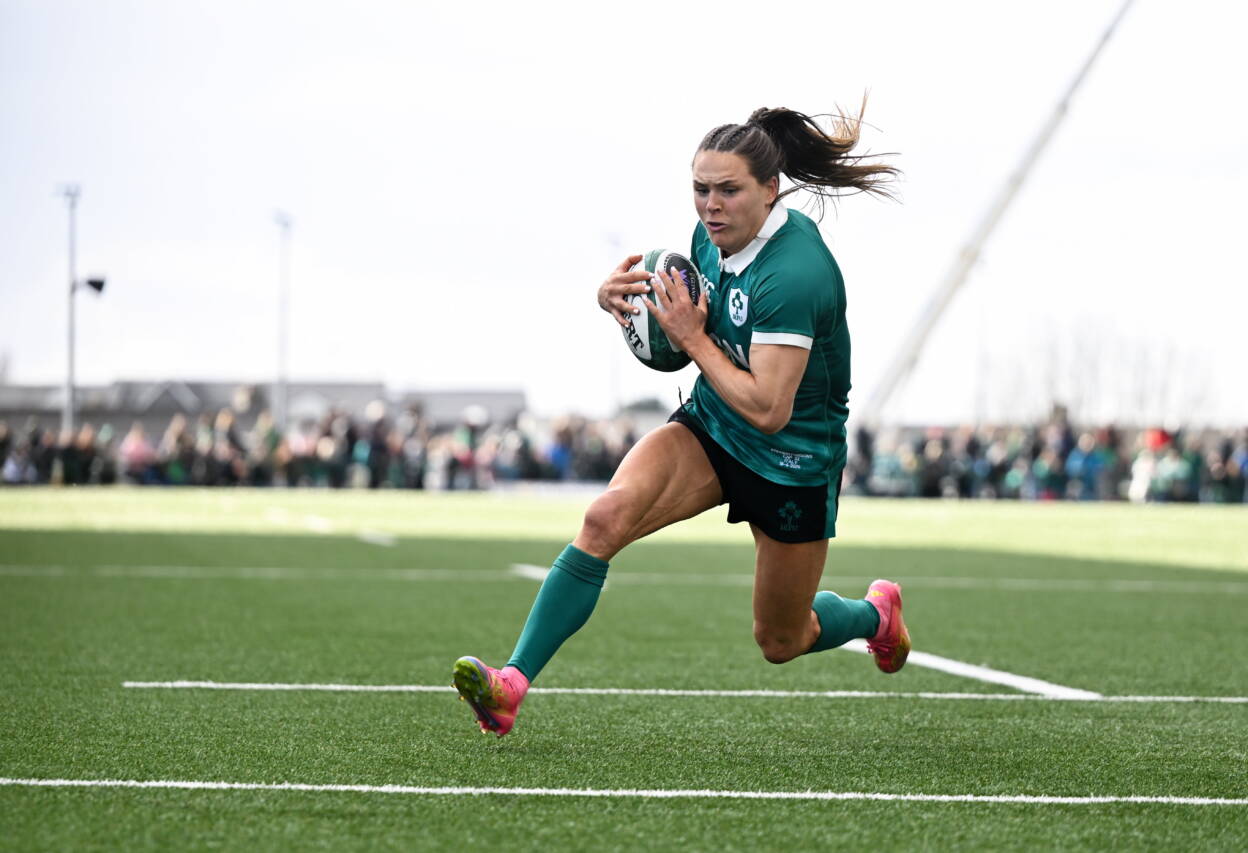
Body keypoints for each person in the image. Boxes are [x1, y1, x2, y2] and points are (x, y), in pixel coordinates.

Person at [453, 105, 908, 736]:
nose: (711, 207)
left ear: (770, 190)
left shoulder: (795, 275)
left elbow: (770, 410)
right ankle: (510, 686)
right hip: (713, 426)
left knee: (782, 638)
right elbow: (679, 348)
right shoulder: (706, 242)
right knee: (604, 517)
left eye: (729, 190)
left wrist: (691, 339)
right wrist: (623, 308)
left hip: (793, 459)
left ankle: (875, 617)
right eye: (701, 189)